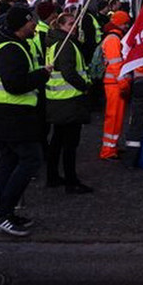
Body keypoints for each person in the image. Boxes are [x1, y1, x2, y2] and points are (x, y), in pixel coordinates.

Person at [0, 5, 51, 236]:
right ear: (22, 24)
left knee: (8, 163)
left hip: (2, 116)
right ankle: (2, 213)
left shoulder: (8, 45)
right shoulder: (11, 49)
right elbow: (15, 84)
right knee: (30, 160)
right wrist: (42, 74)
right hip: (9, 117)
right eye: (32, 22)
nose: (35, 26)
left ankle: (4, 212)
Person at [45, 13, 93, 194]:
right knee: (70, 144)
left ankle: (53, 176)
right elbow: (68, 72)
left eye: (75, 23)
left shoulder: (55, 42)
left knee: (57, 140)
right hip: (69, 99)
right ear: (61, 26)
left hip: (58, 99)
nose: (74, 27)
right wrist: (85, 86)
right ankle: (71, 182)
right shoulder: (65, 45)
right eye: (70, 24)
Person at [99, 10, 131, 161]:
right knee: (114, 117)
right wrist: (124, 83)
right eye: (125, 23)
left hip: (114, 83)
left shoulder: (113, 37)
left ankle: (112, 146)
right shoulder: (113, 39)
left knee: (115, 117)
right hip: (115, 84)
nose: (127, 26)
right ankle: (108, 150)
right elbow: (115, 65)